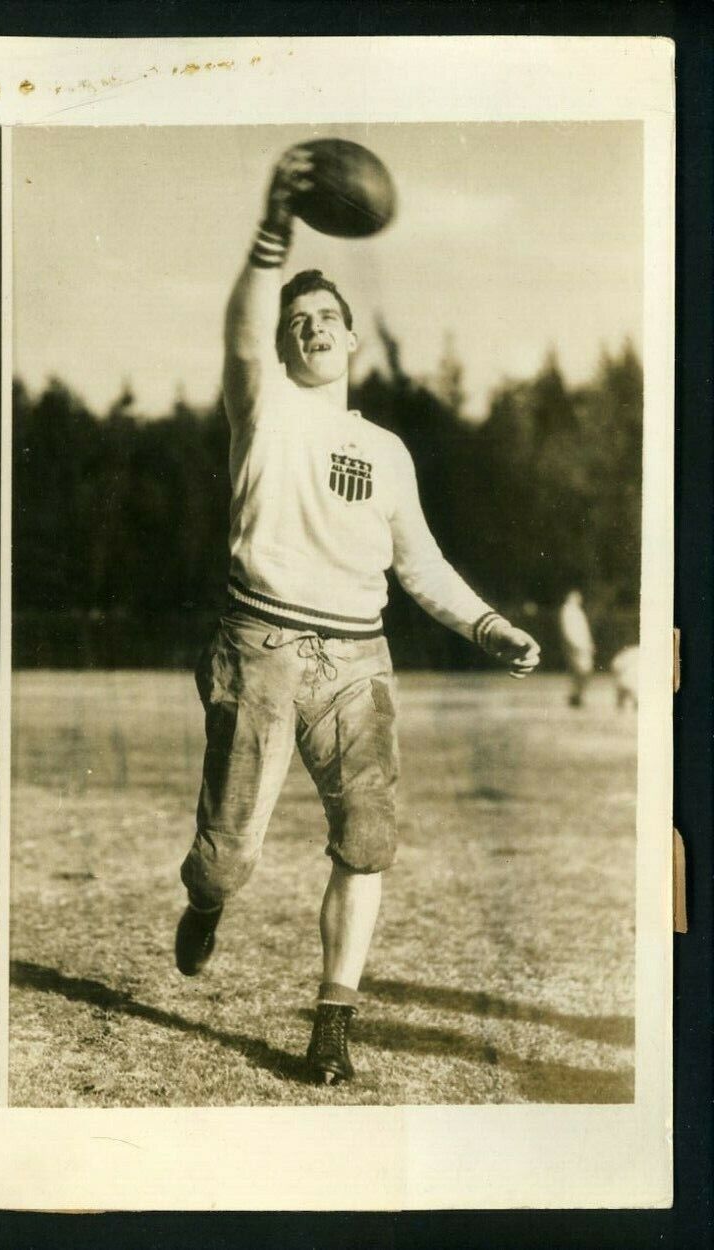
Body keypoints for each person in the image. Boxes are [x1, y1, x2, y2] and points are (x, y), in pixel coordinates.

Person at [174, 147, 541, 1085]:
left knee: (368, 840)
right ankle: (207, 902)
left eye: (328, 318)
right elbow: (243, 328)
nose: (313, 330)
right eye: (298, 321)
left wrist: (488, 626)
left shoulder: (385, 449)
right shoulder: (262, 411)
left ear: (351, 338)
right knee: (225, 863)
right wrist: (273, 228)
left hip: (356, 662)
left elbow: (419, 563)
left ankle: (333, 1023)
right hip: (259, 645)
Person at [558, 588, 596, 708]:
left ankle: (577, 696)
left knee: (583, 672)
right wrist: (576, 645)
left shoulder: (577, 611)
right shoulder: (568, 611)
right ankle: (576, 697)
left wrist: (589, 644)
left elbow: (584, 631)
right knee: (581, 671)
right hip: (576, 647)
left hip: (583, 646)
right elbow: (568, 631)